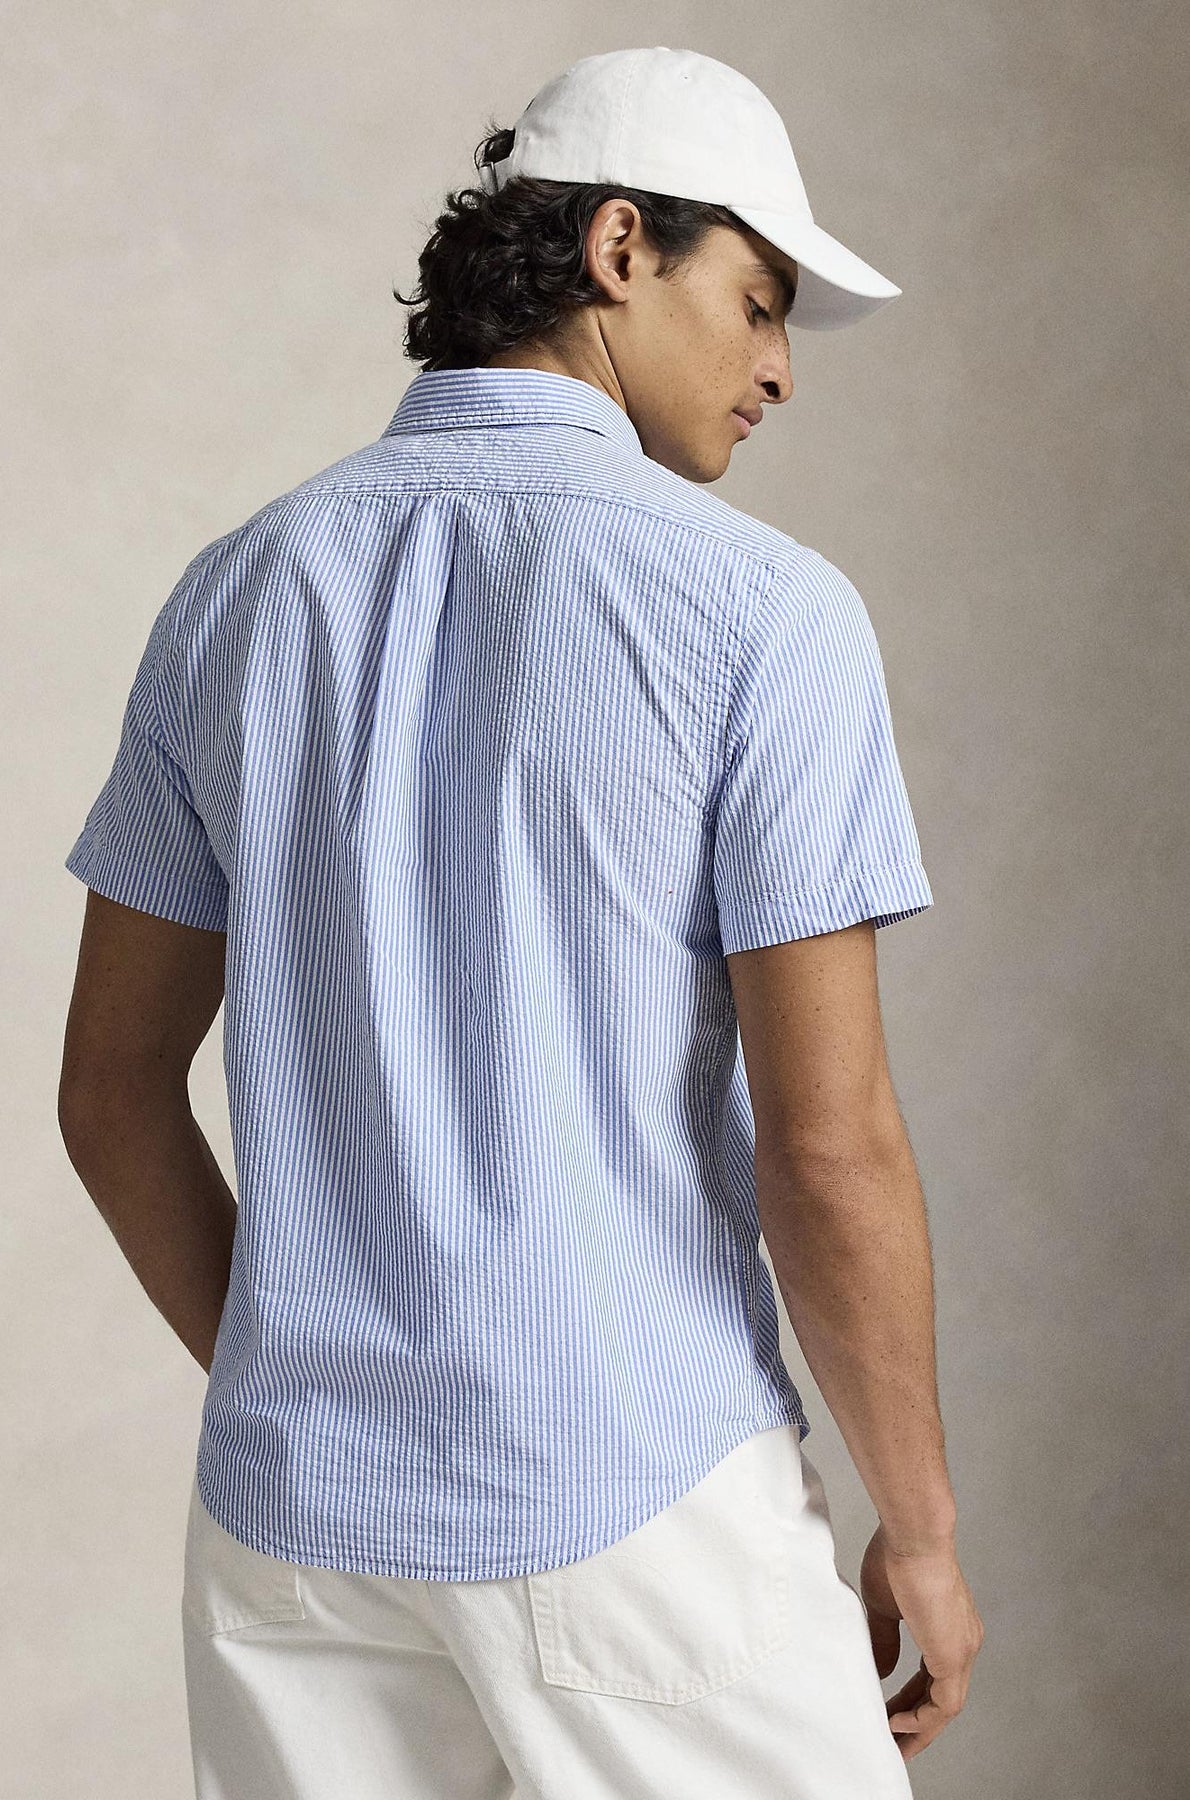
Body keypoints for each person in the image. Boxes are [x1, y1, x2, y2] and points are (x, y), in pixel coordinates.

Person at [58, 45, 983, 1800]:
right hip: (637, 1495)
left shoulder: (234, 595)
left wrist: (306, 1387)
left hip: (295, 1532)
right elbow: (829, 1147)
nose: (780, 369)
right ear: (620, 247)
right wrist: (920, 1528)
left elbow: (107, 1094)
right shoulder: (761, 612)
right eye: (759, 303)